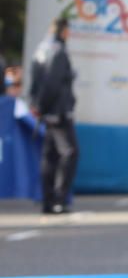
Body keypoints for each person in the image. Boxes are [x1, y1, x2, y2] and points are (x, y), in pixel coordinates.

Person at [28, 17, 79, 215]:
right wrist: (49, 110)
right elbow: (52, 84)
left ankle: (48, 201)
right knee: (70, 152)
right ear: (63, 30)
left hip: (48, 111)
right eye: (68, 30)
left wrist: (40, 108)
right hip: (57, 112)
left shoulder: (42, 49)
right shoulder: (58, 51)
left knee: (49, 156)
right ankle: (59, 199)